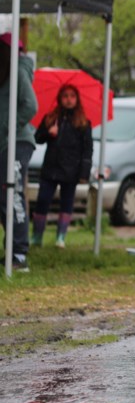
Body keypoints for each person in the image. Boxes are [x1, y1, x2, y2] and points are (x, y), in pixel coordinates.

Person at [30, 83, 93, 248]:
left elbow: (88, 150)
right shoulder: (51, 118)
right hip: (51, 168)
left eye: (72, 96)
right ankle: (37, 236)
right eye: (65, 96)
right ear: (60, 98)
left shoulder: (83, 123)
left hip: (71, 170)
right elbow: (37, 138)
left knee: (67, 203)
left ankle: (61, 237)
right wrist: (48, 132)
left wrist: (84, 173)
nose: (69, 100)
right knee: (43, 200)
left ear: (77, 99)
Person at [0, 33, 38, 272]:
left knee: (12, 196)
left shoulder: (17, 71)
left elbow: (31, 105)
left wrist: (7, 127)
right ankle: (11, 249)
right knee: (4, 197)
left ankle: (19, 254)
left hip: (18, 142)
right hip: (5, 143)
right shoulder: (4, 73)